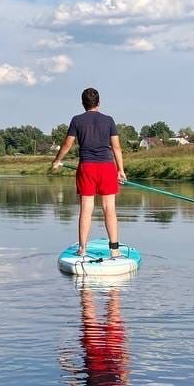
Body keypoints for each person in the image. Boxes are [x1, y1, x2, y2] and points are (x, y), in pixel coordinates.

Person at [51, 87, 127, 258]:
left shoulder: (76, 120)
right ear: (99, 103)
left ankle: (82, 249)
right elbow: (116, 148)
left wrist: (57, 161)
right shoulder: (108, 120)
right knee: (109, 208)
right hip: (107, 167)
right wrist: (120, 170)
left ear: (82, 104)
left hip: (87, 167)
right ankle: (114, 250)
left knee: (86, 209)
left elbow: (67, 145)